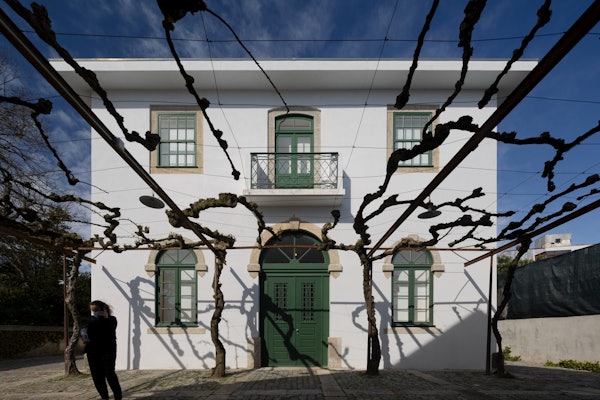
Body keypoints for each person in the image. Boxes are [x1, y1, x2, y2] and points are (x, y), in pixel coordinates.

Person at [84, 300, 122, 400]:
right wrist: (85, 338)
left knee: (109, 374)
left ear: (104, 309)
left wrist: (105, 318)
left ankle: (118, 397)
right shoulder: (90, 320)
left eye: (96, 310)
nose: (95, 312)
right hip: (93, 351)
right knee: (97, 376)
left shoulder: (112, 320)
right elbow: (91, 330)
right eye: (93, 310)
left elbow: (110, 329)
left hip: (108, 350)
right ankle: (104, 397)